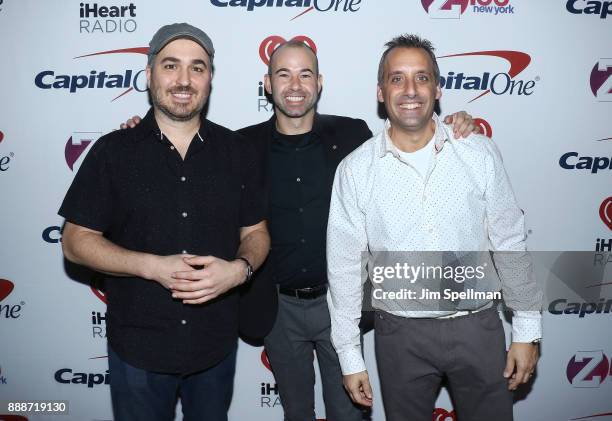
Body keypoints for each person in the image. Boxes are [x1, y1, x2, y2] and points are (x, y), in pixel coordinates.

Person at [121, 39, 478, 421]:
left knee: (350, 412)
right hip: (276, 308)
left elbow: (411, 137)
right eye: (284, 74)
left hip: (341, 303)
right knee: (296, 411)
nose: (295, 85)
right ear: (268, 84)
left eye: (305, 74)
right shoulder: (239, 146)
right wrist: (138, 133)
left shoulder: (354, 135)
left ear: (319, 83)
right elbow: (180, 146)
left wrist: (453, 124)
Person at [59, 23, 269, 421]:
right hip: (139, 349)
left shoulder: (238, 152)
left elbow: (256, 233)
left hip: (215, 348)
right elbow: (74, 240)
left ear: (210, 78)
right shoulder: (113, 152)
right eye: (171, 66)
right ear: (149, 74)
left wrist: (238, 271)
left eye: (198, 68)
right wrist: (151, 266)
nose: (184, 80)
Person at [326, 34, 542, 421]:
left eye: (421, 78)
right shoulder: (356, 171)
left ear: (438, 88)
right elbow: (344, 269)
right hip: (399, 336)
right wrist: (349, 354)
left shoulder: (478, 153)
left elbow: (509, 242)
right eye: (397, 79)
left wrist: (526, 329)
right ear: (380, 91)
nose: (410, 90)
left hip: (478, 327)